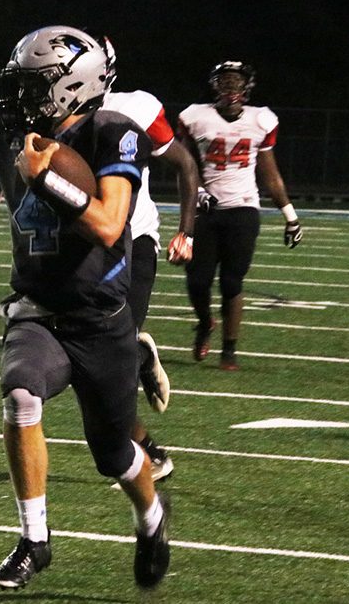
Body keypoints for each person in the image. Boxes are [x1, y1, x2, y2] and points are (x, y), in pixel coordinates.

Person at [0, 26, 170, 590]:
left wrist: (45, 181)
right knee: (20, 395)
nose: (22, 97)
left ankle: (153, 520)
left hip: (100, 316)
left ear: (74, 84)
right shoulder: (6, 131)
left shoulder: (114, 132)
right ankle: (33, 539)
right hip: (36, 308)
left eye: (35, 85)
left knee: (116, 457)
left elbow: (110, 225)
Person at [94, 33, 200, 483]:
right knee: (97, 361)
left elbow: (186, 165)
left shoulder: (135, 107)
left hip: (134, 238)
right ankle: (134, 352)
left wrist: (187, 232)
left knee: (106, 360)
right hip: (85, 244)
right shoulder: (48, 115)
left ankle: (148, 453)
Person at [177, 61, 303, 370]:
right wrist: (199, 195)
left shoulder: (261, 120)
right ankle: (206, 322)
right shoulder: (194, 117)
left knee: (232, 282)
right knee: (197, 281)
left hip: (244, 208)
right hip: (206, 210)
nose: (231, 87)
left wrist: (290, 215)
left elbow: (270, 174)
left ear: (247, 87)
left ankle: (229, 351)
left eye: (236, 82)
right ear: (215, 85)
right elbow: (184, 165)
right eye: (225, 81)